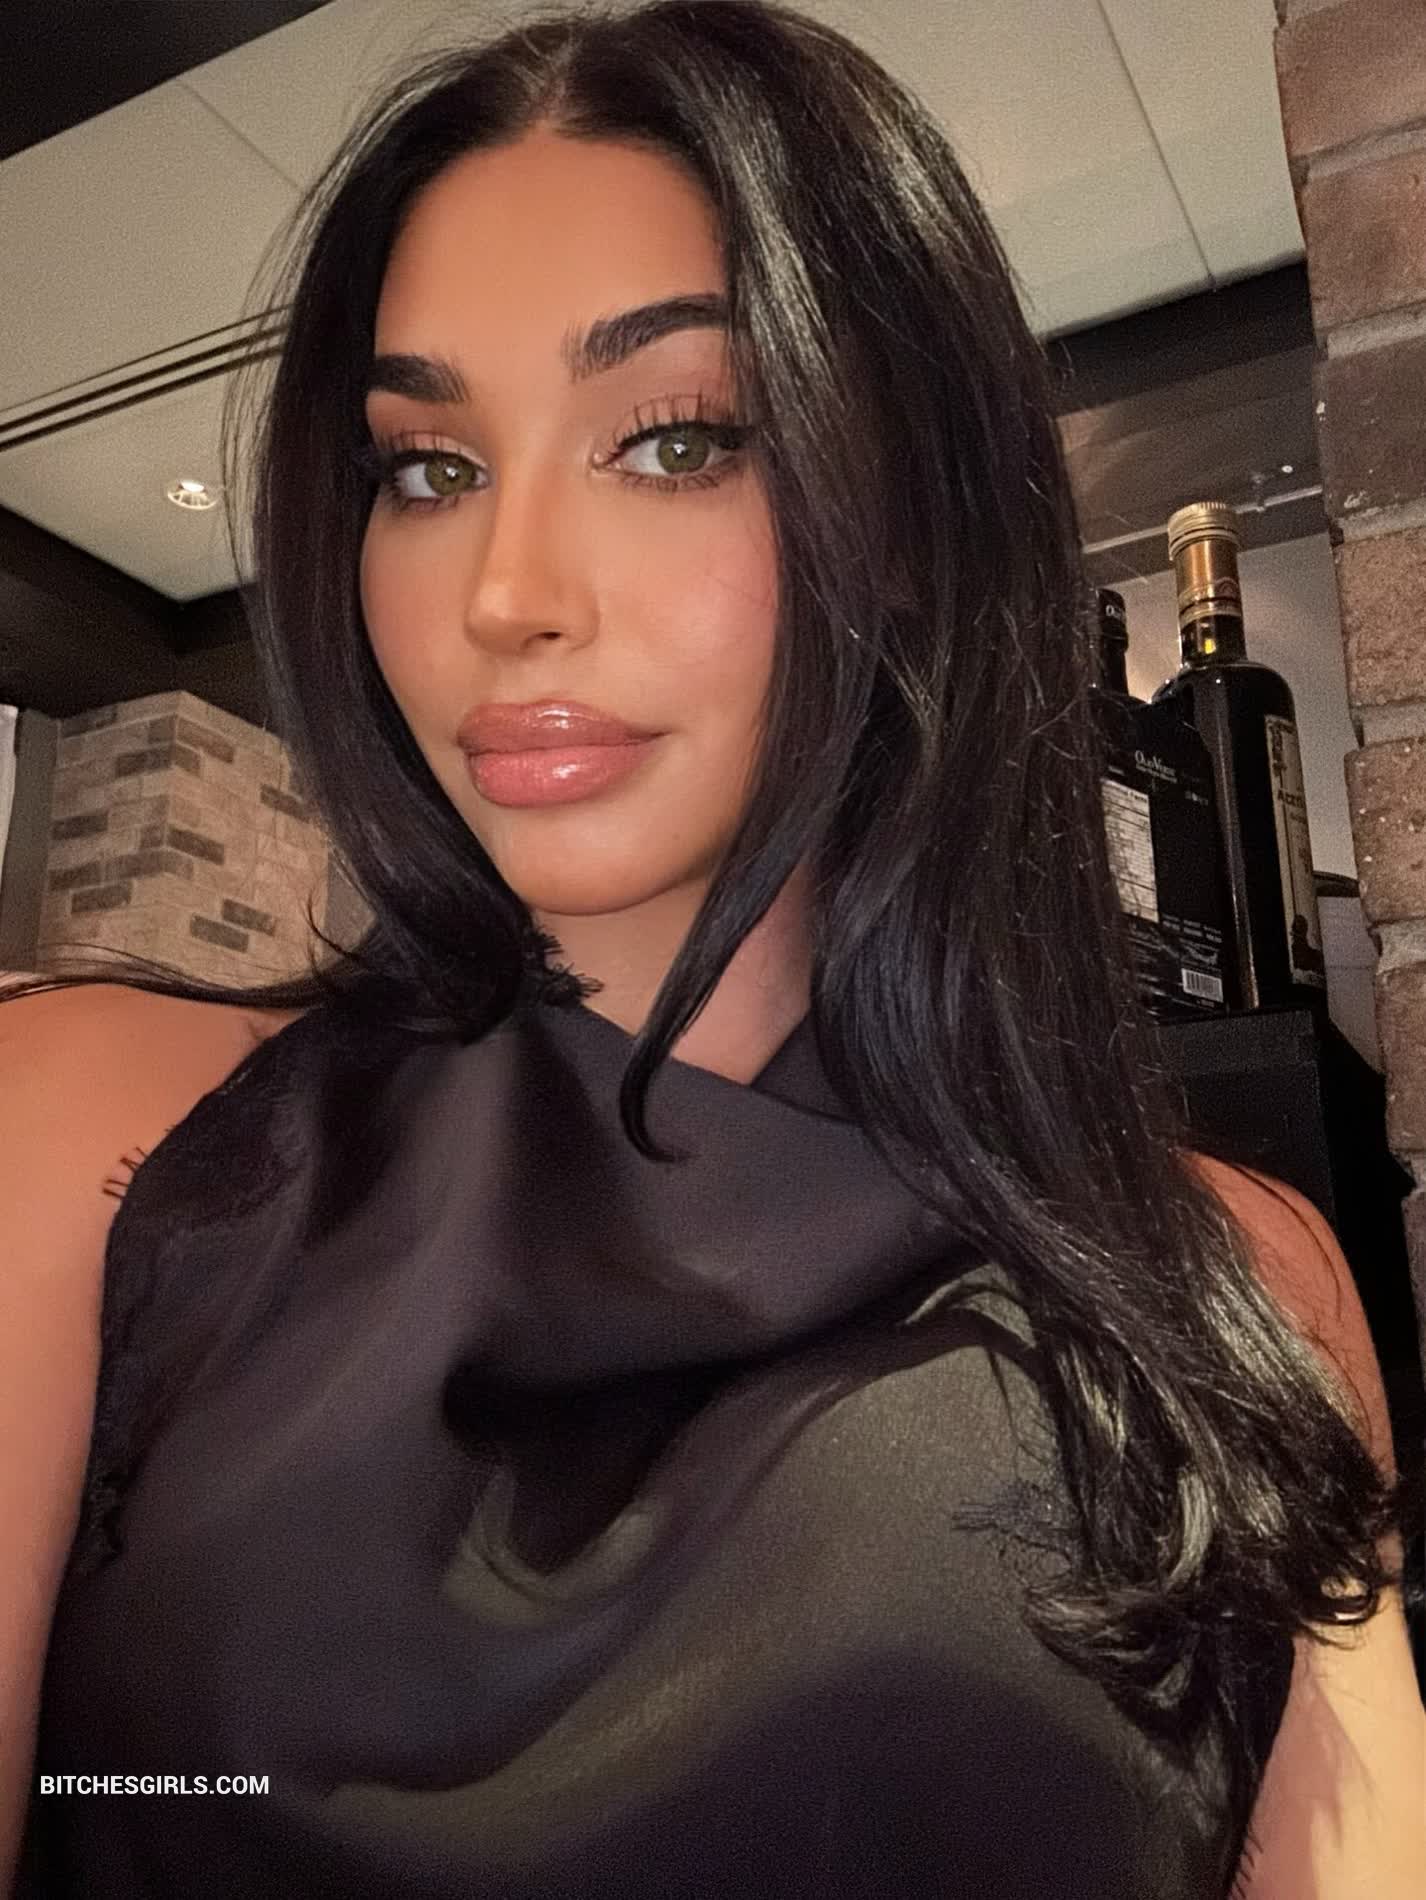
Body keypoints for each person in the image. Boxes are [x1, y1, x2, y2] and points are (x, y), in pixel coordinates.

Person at [2, 3, 1422, 1894]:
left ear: (907, 512)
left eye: (674, 440)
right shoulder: (87, 1143)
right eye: (427, 469)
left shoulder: (1231, 1283)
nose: (507, 594)